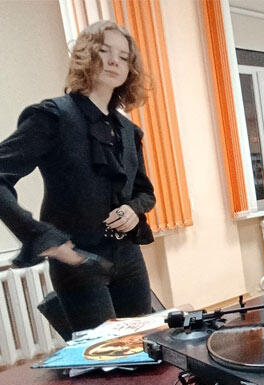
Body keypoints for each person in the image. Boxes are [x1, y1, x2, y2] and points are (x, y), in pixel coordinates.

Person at [0, 20, 155, 335]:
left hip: (129, 259)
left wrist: (133, 209)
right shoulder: (52, 117)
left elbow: (145, 193)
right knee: (106, 356)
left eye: (123, 57)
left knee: (145, 346)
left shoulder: (129, 131)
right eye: (104, 50)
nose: (114, 61)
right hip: (78, 261)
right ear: (87, 55)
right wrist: (42, 237)